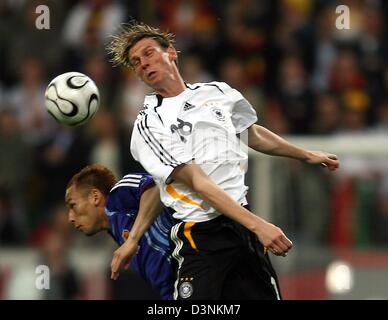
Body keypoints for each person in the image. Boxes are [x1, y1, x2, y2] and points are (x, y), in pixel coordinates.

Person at [107, 21, 340, 300]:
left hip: (242, 231)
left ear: (171, 52)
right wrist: (259, 224)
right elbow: (197, 182)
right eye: (136, 62)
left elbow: (250, 133)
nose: (143, 63)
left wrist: (305, 154)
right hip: (202, 237)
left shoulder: (217, 92)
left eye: (148, 53)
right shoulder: (149, 125)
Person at [65, 164, 177, 300]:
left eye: (73, 205)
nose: (70, 218)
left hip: (194, 268)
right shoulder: (117, 231)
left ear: (95, 197)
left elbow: (156, 187)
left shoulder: (119, 194)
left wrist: (132, 240)